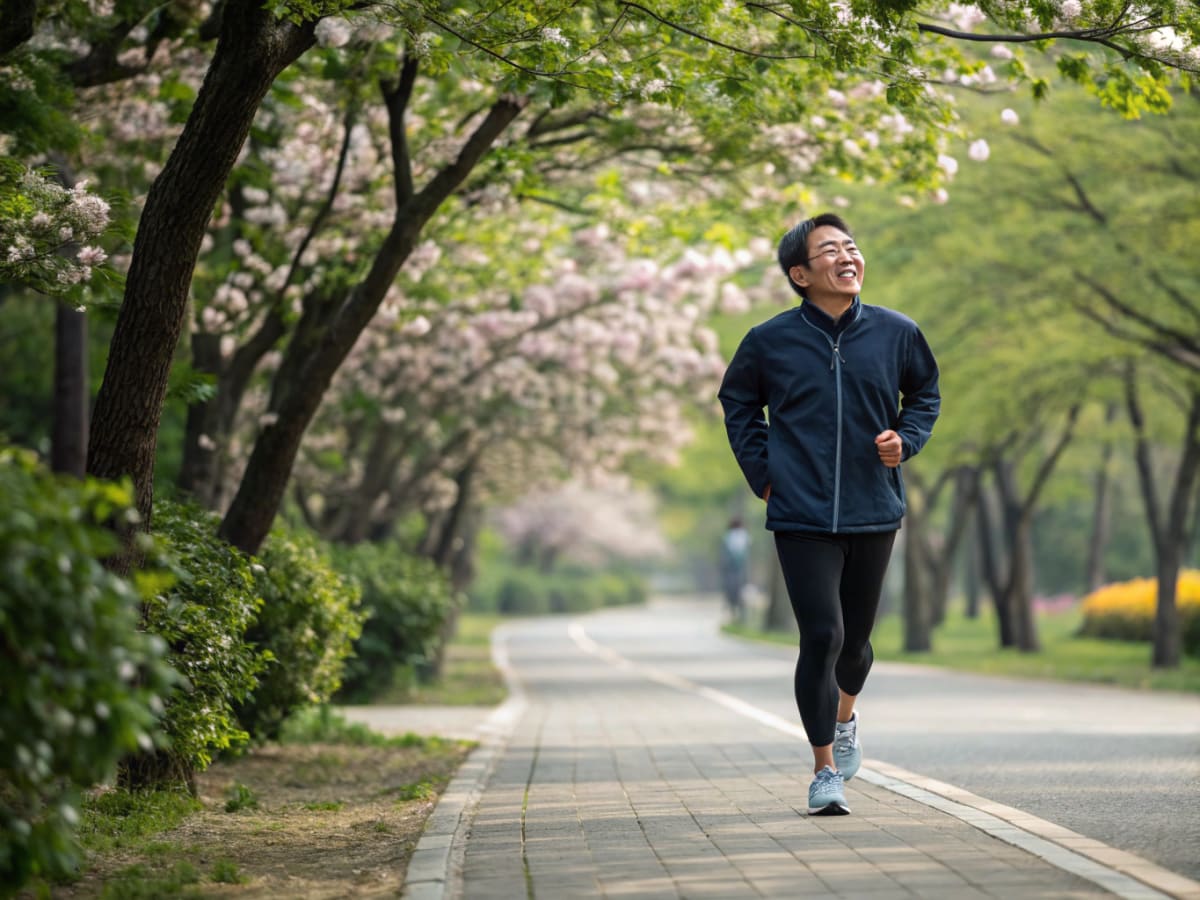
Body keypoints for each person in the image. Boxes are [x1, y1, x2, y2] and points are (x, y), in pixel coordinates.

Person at [717, 212, 940, 816]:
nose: (848, 257)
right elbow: (737, 401)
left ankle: (846, 719)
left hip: (874, 507)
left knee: (857, 646)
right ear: (800, 273)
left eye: (852, 247)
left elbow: (924, 395)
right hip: (801, 514)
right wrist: (763, 474)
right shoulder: (769, 341)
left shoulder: (897, 333)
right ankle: (823, 771)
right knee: (823, 635)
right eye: (830, 251)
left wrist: (906, 438)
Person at [719, 516, 750, 622]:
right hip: (737, 569)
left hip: (732, 569)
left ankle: (735, 611)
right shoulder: (743, 536)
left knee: (732, 589)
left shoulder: (729, 537)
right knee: (738, 589)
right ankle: (738, 612)